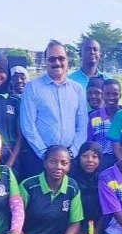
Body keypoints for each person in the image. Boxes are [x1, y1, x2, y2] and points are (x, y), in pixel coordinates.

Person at [20, 40, 87, 178]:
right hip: (40, 159)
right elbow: (28, 126)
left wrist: (72, 153)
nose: (57, 63)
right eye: (52, 59)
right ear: (46, 61)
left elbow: (82, 126)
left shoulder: (77, 89)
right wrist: (44, 154)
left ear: (67, 60)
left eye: (61, 58)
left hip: (68, 160)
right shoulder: (32, 87)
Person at [87, 79, 121, 171]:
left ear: (120, 95)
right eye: (107, 94)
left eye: (115, 94)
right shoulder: (93, 117)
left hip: (121, 163)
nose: (111, 97)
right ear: (102, 95)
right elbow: (91, 142)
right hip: (100, 164)